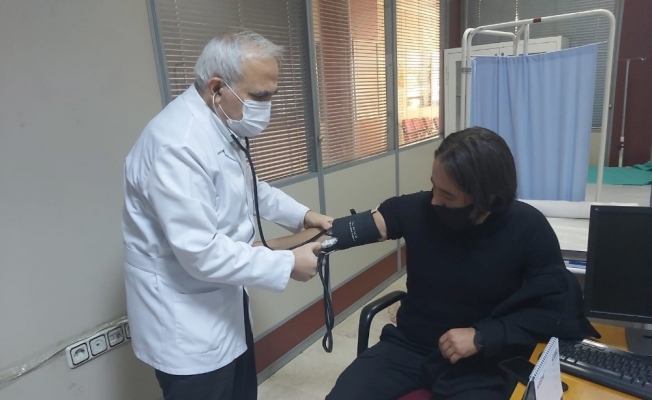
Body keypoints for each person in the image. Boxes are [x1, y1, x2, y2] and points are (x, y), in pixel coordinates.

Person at [122, 31, 332, 400]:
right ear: (217, 88)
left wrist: (305, 216)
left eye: (272, 95)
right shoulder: (177, 145)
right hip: (187, 330)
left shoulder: (219, 124)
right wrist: (287, 263)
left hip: (223, 310)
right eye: (260, 96)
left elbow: (249, 187)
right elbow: (200, 252)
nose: (267, 107)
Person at [320, 127, 598, 399]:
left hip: (482, 360)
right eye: (434, 186)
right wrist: (310, 246)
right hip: (409, 346)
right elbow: (363, 226)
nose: (434, 200)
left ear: (488, 198)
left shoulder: (527, 228)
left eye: (448, 195)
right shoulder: (418, 209)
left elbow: (554, 312)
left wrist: (482, 336)